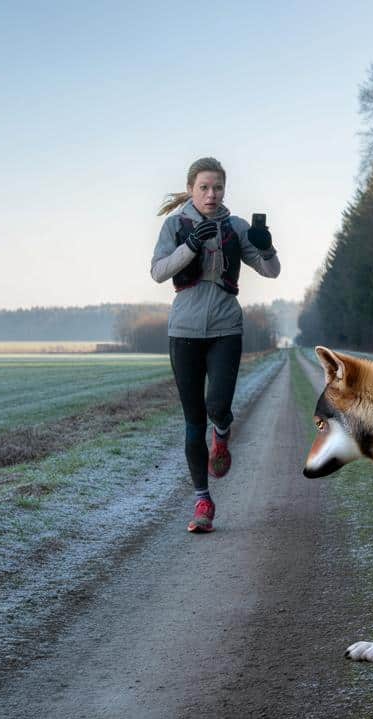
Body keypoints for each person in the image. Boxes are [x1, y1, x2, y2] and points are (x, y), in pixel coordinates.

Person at [150, 157, 280, 533]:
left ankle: (221, 435)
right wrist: (190, 245)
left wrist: (266, 247)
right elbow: (159, 271)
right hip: (184, 332)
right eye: (204, 187)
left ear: (225, 190)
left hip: (225, 329)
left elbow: (272, 272)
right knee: (193, 422)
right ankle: (203, 502)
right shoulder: (174, 225)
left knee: (217, 407)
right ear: (191, 188)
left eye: (218, 187)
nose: (211, 194)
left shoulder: (235, 227)